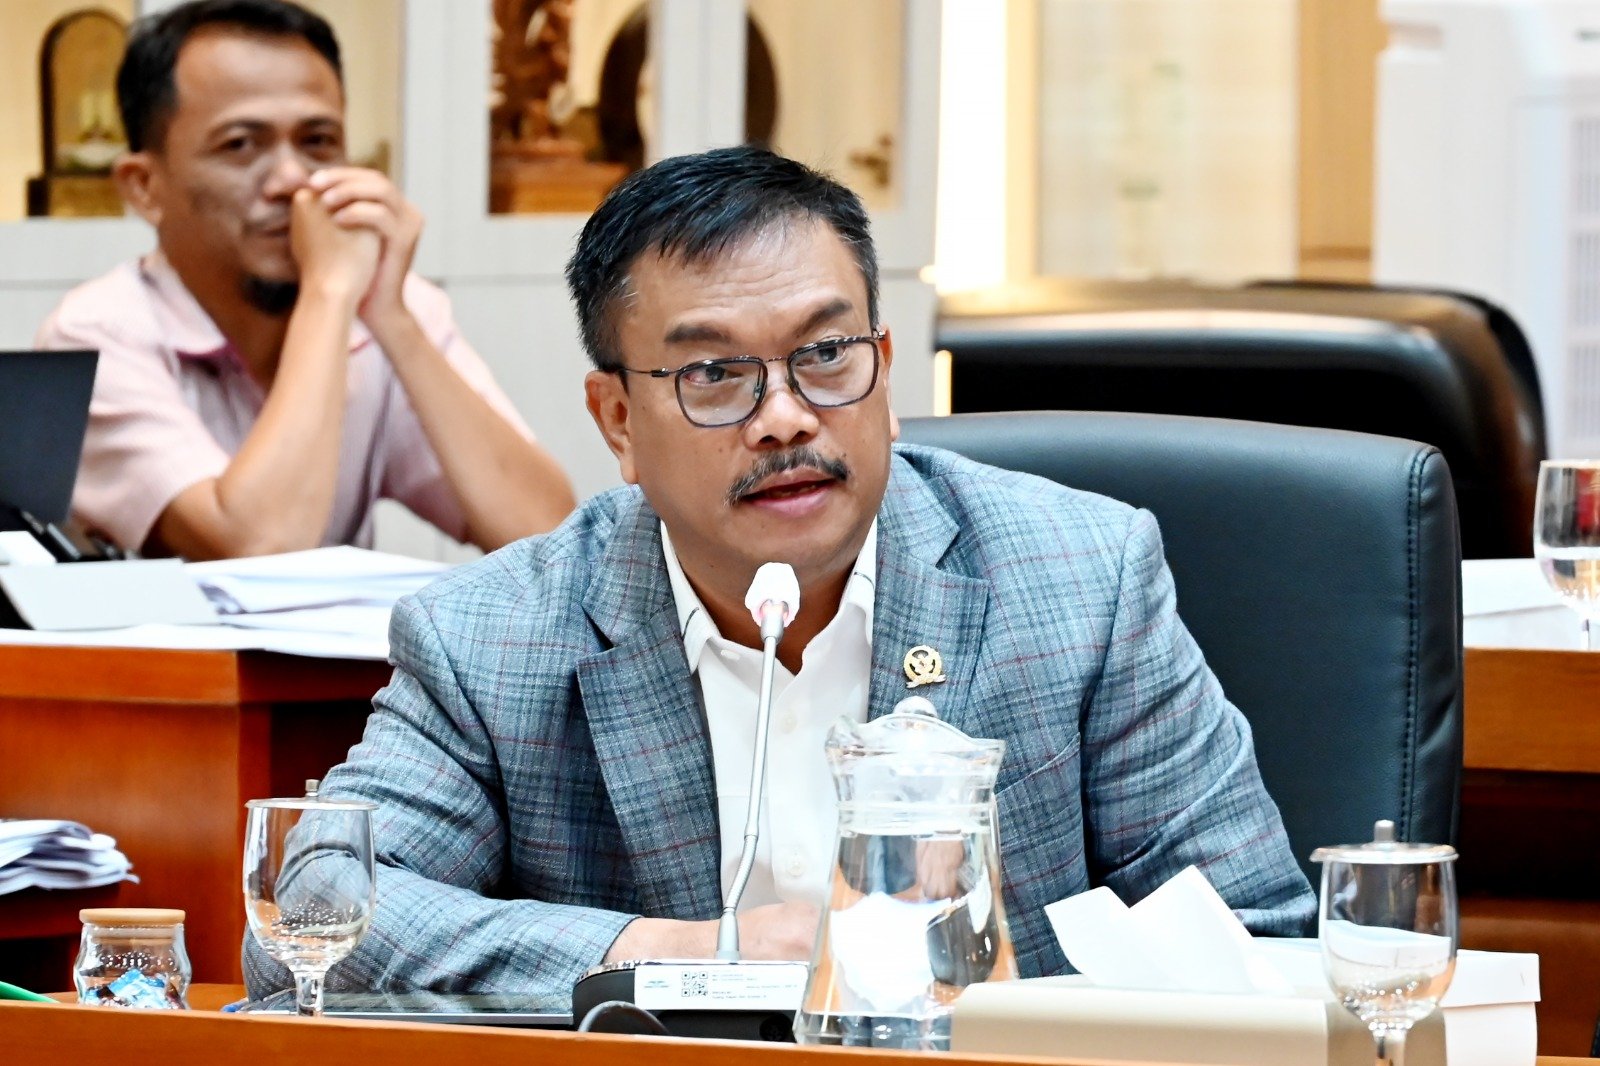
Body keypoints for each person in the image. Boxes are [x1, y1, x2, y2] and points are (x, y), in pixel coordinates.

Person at [244, 145, 1314, 1000]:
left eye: (827, 354)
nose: (787, 417)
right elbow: (314, 917)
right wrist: (672, 950)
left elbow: (1258, 935)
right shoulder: (494, 637)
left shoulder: (1079, 580)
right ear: (617, 421)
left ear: (884, 368)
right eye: (715, 374)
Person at [34, 0, 574, 560]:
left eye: (318, 141)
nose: (293, 179)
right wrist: (329, 294)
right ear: (144, 187)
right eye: (240, 144)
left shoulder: (383, 308)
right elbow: (259, 547)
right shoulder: (96, 336)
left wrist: (394, 321)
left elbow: (548, 539)